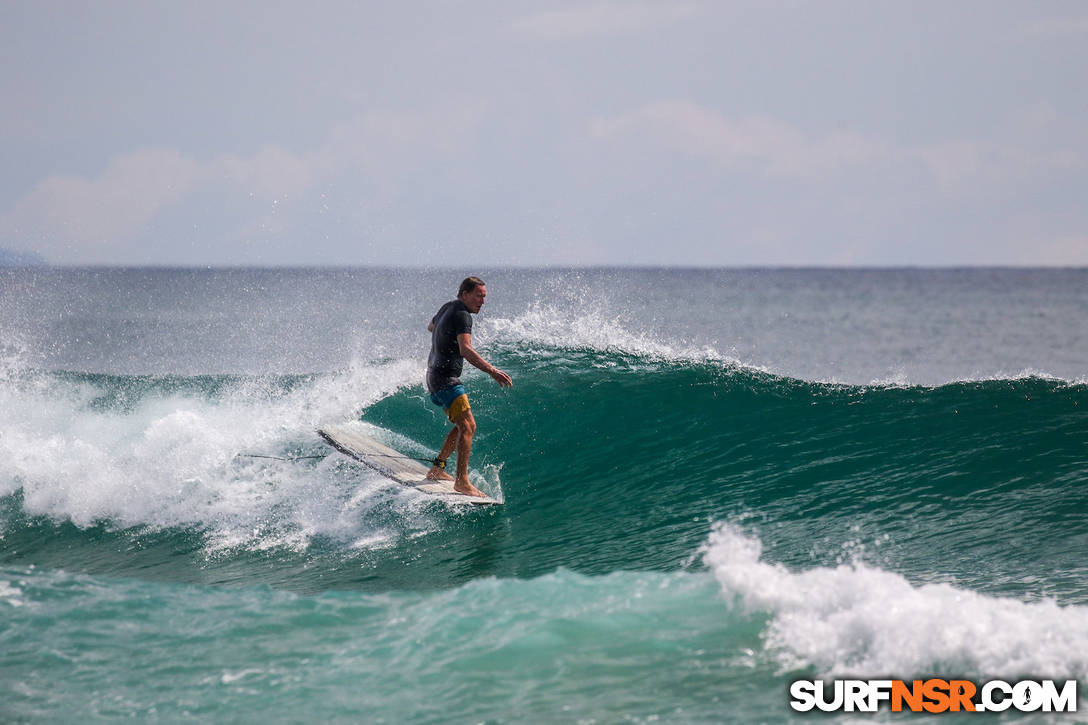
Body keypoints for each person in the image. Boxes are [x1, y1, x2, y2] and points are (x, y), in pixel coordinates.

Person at [425, 276, 513, 497]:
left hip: (433, 376)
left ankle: (437, 468)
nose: (482, 301)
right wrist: (492, 370)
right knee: (469, 426)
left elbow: (431, 326)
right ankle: (462, 481)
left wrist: (445, 340)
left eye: (484, 297)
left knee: (463, 425)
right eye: (478, 295)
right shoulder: (463, 315)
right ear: (464, 294)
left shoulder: (449, 307)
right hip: (446, 380)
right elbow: (465, 349)